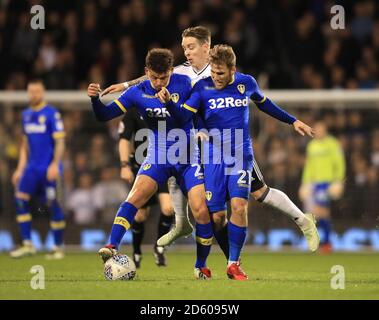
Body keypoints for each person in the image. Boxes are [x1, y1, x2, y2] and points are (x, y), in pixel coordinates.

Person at [102, 26, 320, 255]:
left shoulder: (220, 70)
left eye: (191, 47)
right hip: (202, 142)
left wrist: (292, 120)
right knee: (183, 175)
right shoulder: (182, 72)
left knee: (260, 193)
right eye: (184, 47)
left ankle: (303, 220)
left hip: (230, 143)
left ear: (206, 47)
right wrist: (126, 85)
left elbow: (258, 99)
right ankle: (186, 225)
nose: (186, 52)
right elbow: (153, 76)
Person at [157, 44, 317, 280]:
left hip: (240, 154)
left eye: (220, 73)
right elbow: (184, 115)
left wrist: (293, 121)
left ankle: (233, 264)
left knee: (242, 206)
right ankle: (302, 220)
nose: (216, 77)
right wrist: (170, 103)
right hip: (213, 158)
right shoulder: (202, 87)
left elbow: (265, 104)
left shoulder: (246, 83)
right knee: (219, 216)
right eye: (213, 72)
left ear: (233, 69)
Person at [88, 48, 213, 279]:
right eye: (154, 77)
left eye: (163, 77)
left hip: (188, 157)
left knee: (201, 210)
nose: (158, 82)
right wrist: (96, 100)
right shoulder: (137, 93)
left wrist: (170, 104)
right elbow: (104, 115)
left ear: (171, 72)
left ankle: (201, 265)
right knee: (135, 197)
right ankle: (112, 246)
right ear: (146, 72)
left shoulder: (185, 84)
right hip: (158, 157)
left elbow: (185, 118)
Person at [10, 79, 66, 259]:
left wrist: (55, 164)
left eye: (36, 91)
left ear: (42, 93)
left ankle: (57, 247)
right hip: (31, 169)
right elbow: (25, 144)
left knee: (53, 204)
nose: (33, 94)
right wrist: (20, 169)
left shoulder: (51, 114)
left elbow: (60, 142)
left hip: (48, 168)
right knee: (20, 199)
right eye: (31, 91)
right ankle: (27, 244)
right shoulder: (25, 114)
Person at [118, 108, 175, 267]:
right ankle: (136, 252)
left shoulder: (168, 105)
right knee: (140, 216)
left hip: (163, 165)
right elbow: (124, 139)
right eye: (153, 80)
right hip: (141, 168)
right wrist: (124, 165)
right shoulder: (134, 109)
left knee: (168, 208)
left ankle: (159, 247)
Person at [299, 119, 345, 253]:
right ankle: (326, 242)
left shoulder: (332, 144)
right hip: (314, 184)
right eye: (316, 129)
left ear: (325, 130)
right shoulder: (311, 146)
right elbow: (308, 167)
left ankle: (326, 243)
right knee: (316, 213)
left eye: (320, 129)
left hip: (327, 182)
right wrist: (305, 183)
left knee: (320, 212)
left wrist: (338, 181)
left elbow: (339, 163)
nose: (318, 132)